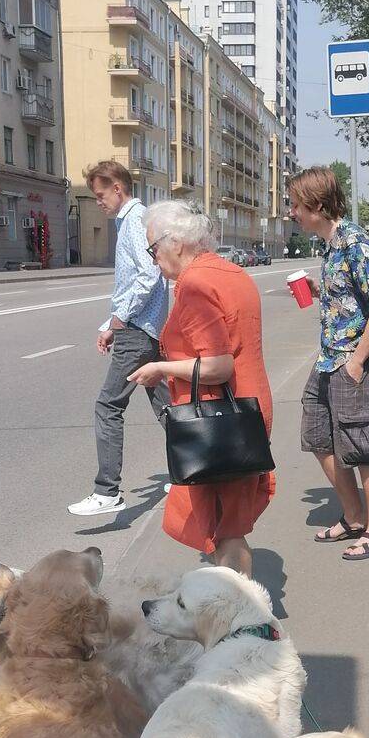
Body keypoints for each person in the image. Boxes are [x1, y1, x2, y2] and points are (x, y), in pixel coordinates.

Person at [126, 201, 273, 576]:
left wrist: (160, 367)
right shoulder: (233, 272)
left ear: (175, 243)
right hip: (246, 413)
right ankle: (235, 613)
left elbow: (217, 366)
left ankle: (238, 617)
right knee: (230, 522)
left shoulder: (194, 284)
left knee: (226, 530)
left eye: (152, 249)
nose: (153, 259)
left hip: (218, 423)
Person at [290, 166, 369, 562]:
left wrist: (357, 362)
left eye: (296, 204)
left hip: (353, 363)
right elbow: (352, 298)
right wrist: (323, 292)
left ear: (317, 205)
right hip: (328, 360)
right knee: (318, 435)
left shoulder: (355, 242)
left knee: (361, 446)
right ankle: (353, 517)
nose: (292, 212)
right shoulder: (331, 244)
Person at [68, 161, 170, 519]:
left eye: (100, 195)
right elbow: (138, 281)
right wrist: (111, 324)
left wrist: (118, 320)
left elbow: (147, 276)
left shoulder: (134, 222)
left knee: (108, 406)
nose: (98, 203)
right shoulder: (134, 220)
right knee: (167, 407)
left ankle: (107, 490)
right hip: (144, 329)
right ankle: (192, 470)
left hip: (137, 331)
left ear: (117, 188)